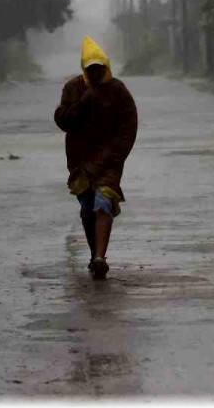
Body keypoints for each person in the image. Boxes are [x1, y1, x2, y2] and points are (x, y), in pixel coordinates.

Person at [53, 36, 138, 281]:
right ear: (84, 68)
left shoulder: (118, 90)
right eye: (91, 68)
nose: (96, 72)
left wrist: (116, 155)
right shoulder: (73, 89)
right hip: (81, 161)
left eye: (99, 68)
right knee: (87, 209)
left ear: (106, 66)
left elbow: (128, 127)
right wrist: (84, 102)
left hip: (110, 161)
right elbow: (65, 122)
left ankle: (100, 258)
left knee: (103, 202)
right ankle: (94, 255)